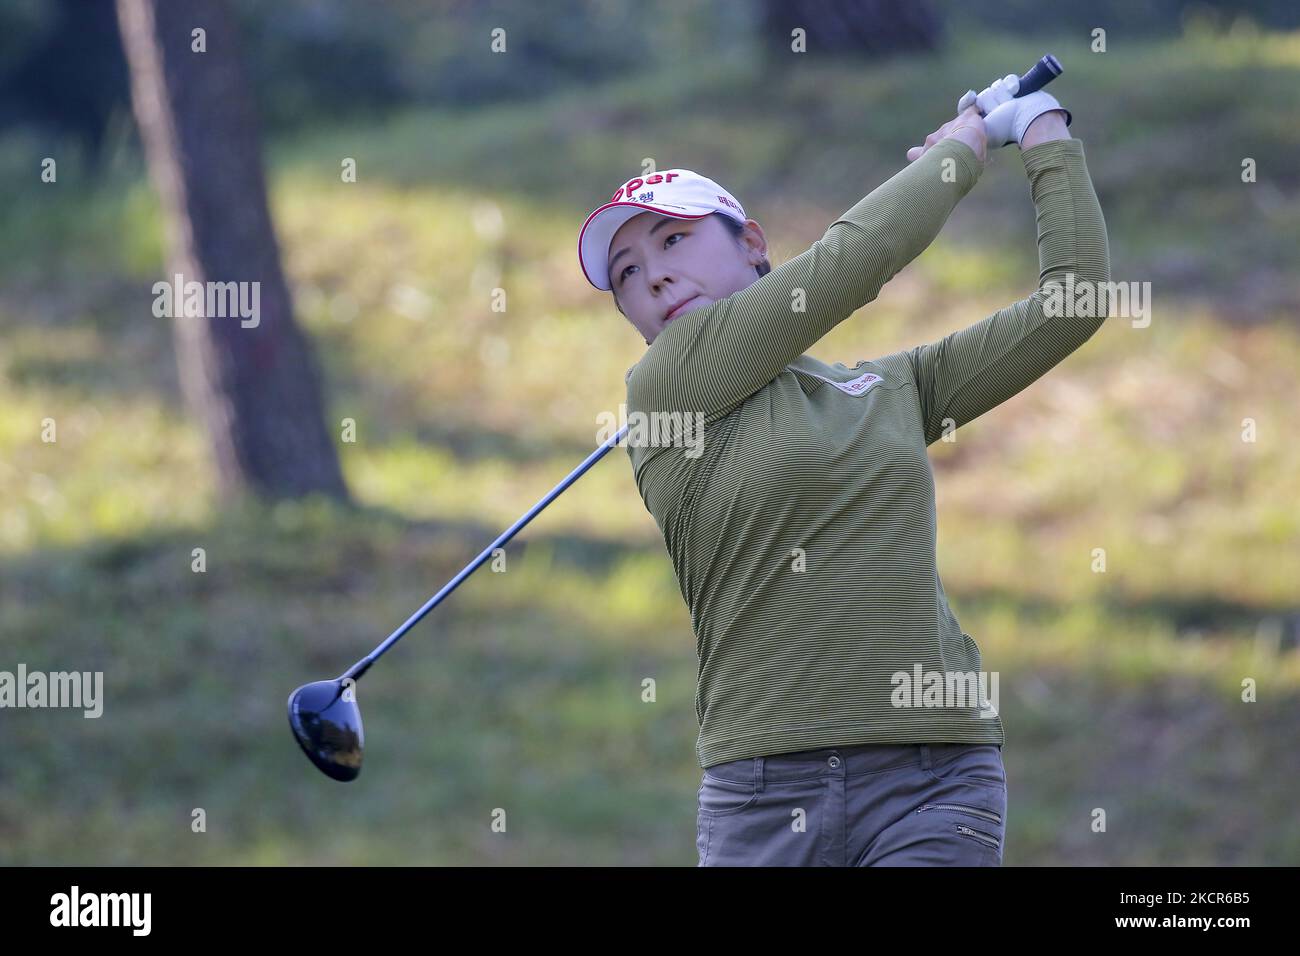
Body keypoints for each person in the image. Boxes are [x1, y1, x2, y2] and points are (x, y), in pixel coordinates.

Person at [576, 77, 1109, 866]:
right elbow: (855, 261)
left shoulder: (891, 391)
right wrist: (965, 144)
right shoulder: (663, 393)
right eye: (624, 272)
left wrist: (1039, 130)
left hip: (934, 779)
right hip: (761, 798)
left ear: (753, 244)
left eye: (674, 240)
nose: (651, 275)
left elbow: (1075, 302)